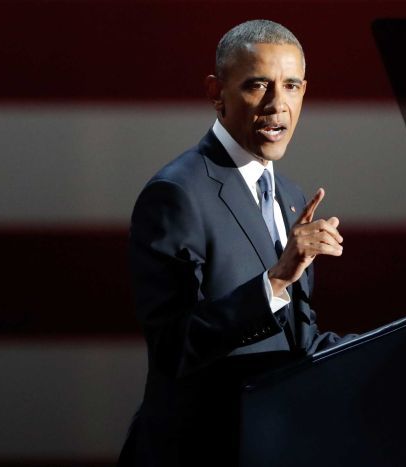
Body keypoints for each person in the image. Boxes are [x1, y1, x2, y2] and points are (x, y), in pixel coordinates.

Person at [118, 19, 349, 466]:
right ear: (216, 92)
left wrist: (402, 346)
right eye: (257, 85)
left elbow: (297, 342)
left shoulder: (291, 196)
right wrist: (276, 280)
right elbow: (173, 346)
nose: (277, 104)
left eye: (292, 86)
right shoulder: (177, 193)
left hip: (270, 446)